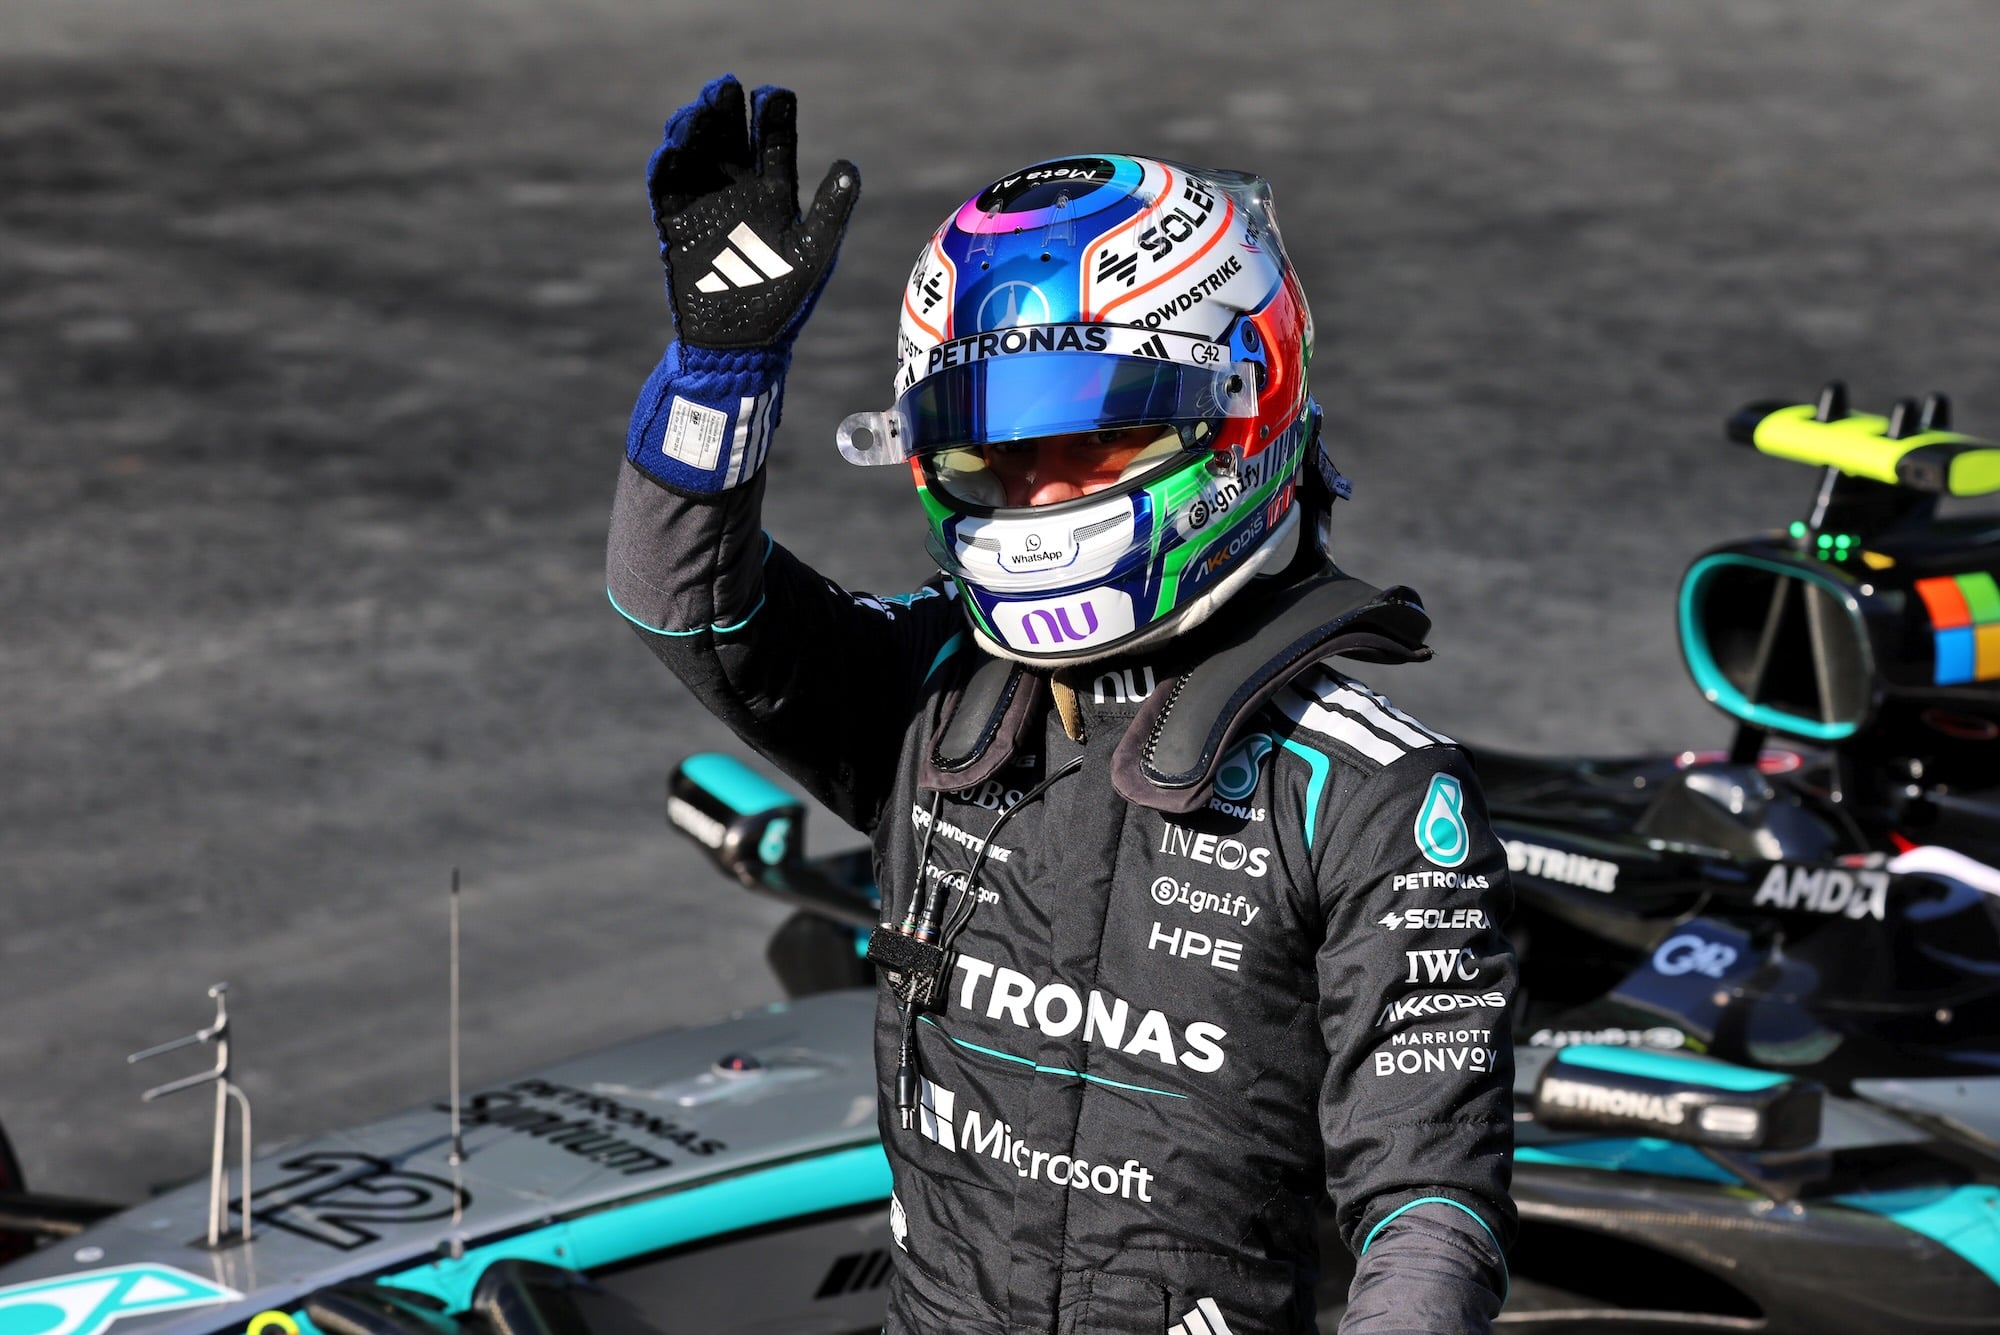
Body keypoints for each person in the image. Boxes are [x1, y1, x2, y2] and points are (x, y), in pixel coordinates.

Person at [608, 74, 1515, 1335]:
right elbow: (682, 605)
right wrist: (718, 374)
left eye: (1085, 448)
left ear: (1236, 415)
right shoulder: (930, 695)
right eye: (998, 459)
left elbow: (1426, 1203)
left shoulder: (1366, 788)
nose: (1037, 504)